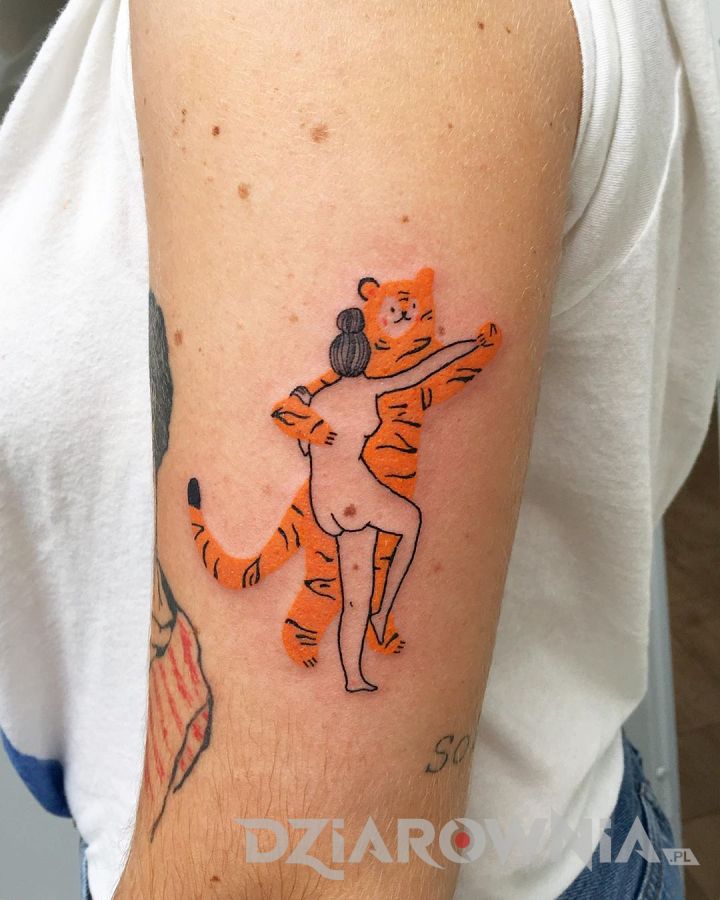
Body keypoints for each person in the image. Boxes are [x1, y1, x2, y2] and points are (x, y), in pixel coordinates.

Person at [0, 1, 719, 898]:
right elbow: (397, 381)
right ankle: (359, 635)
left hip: (328, 854)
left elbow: (299, 870)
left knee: (363, 566)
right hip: (548, 813)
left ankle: (355, 644)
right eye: (398, 313)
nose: (410, 320)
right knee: (373, 553)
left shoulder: (340, 33)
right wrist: (439, 361)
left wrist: (392, 381)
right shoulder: (358, 391)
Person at [307, 306, 480, 691]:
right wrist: (469, 345)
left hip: (326, 503)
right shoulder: (368, 389)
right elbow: (422, 371)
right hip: (354, 492)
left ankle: (354, 677)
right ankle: (383, 611)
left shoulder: (318, 399)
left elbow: (308, 448)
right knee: (411, 521)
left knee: (355, 597)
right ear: (364, 356)